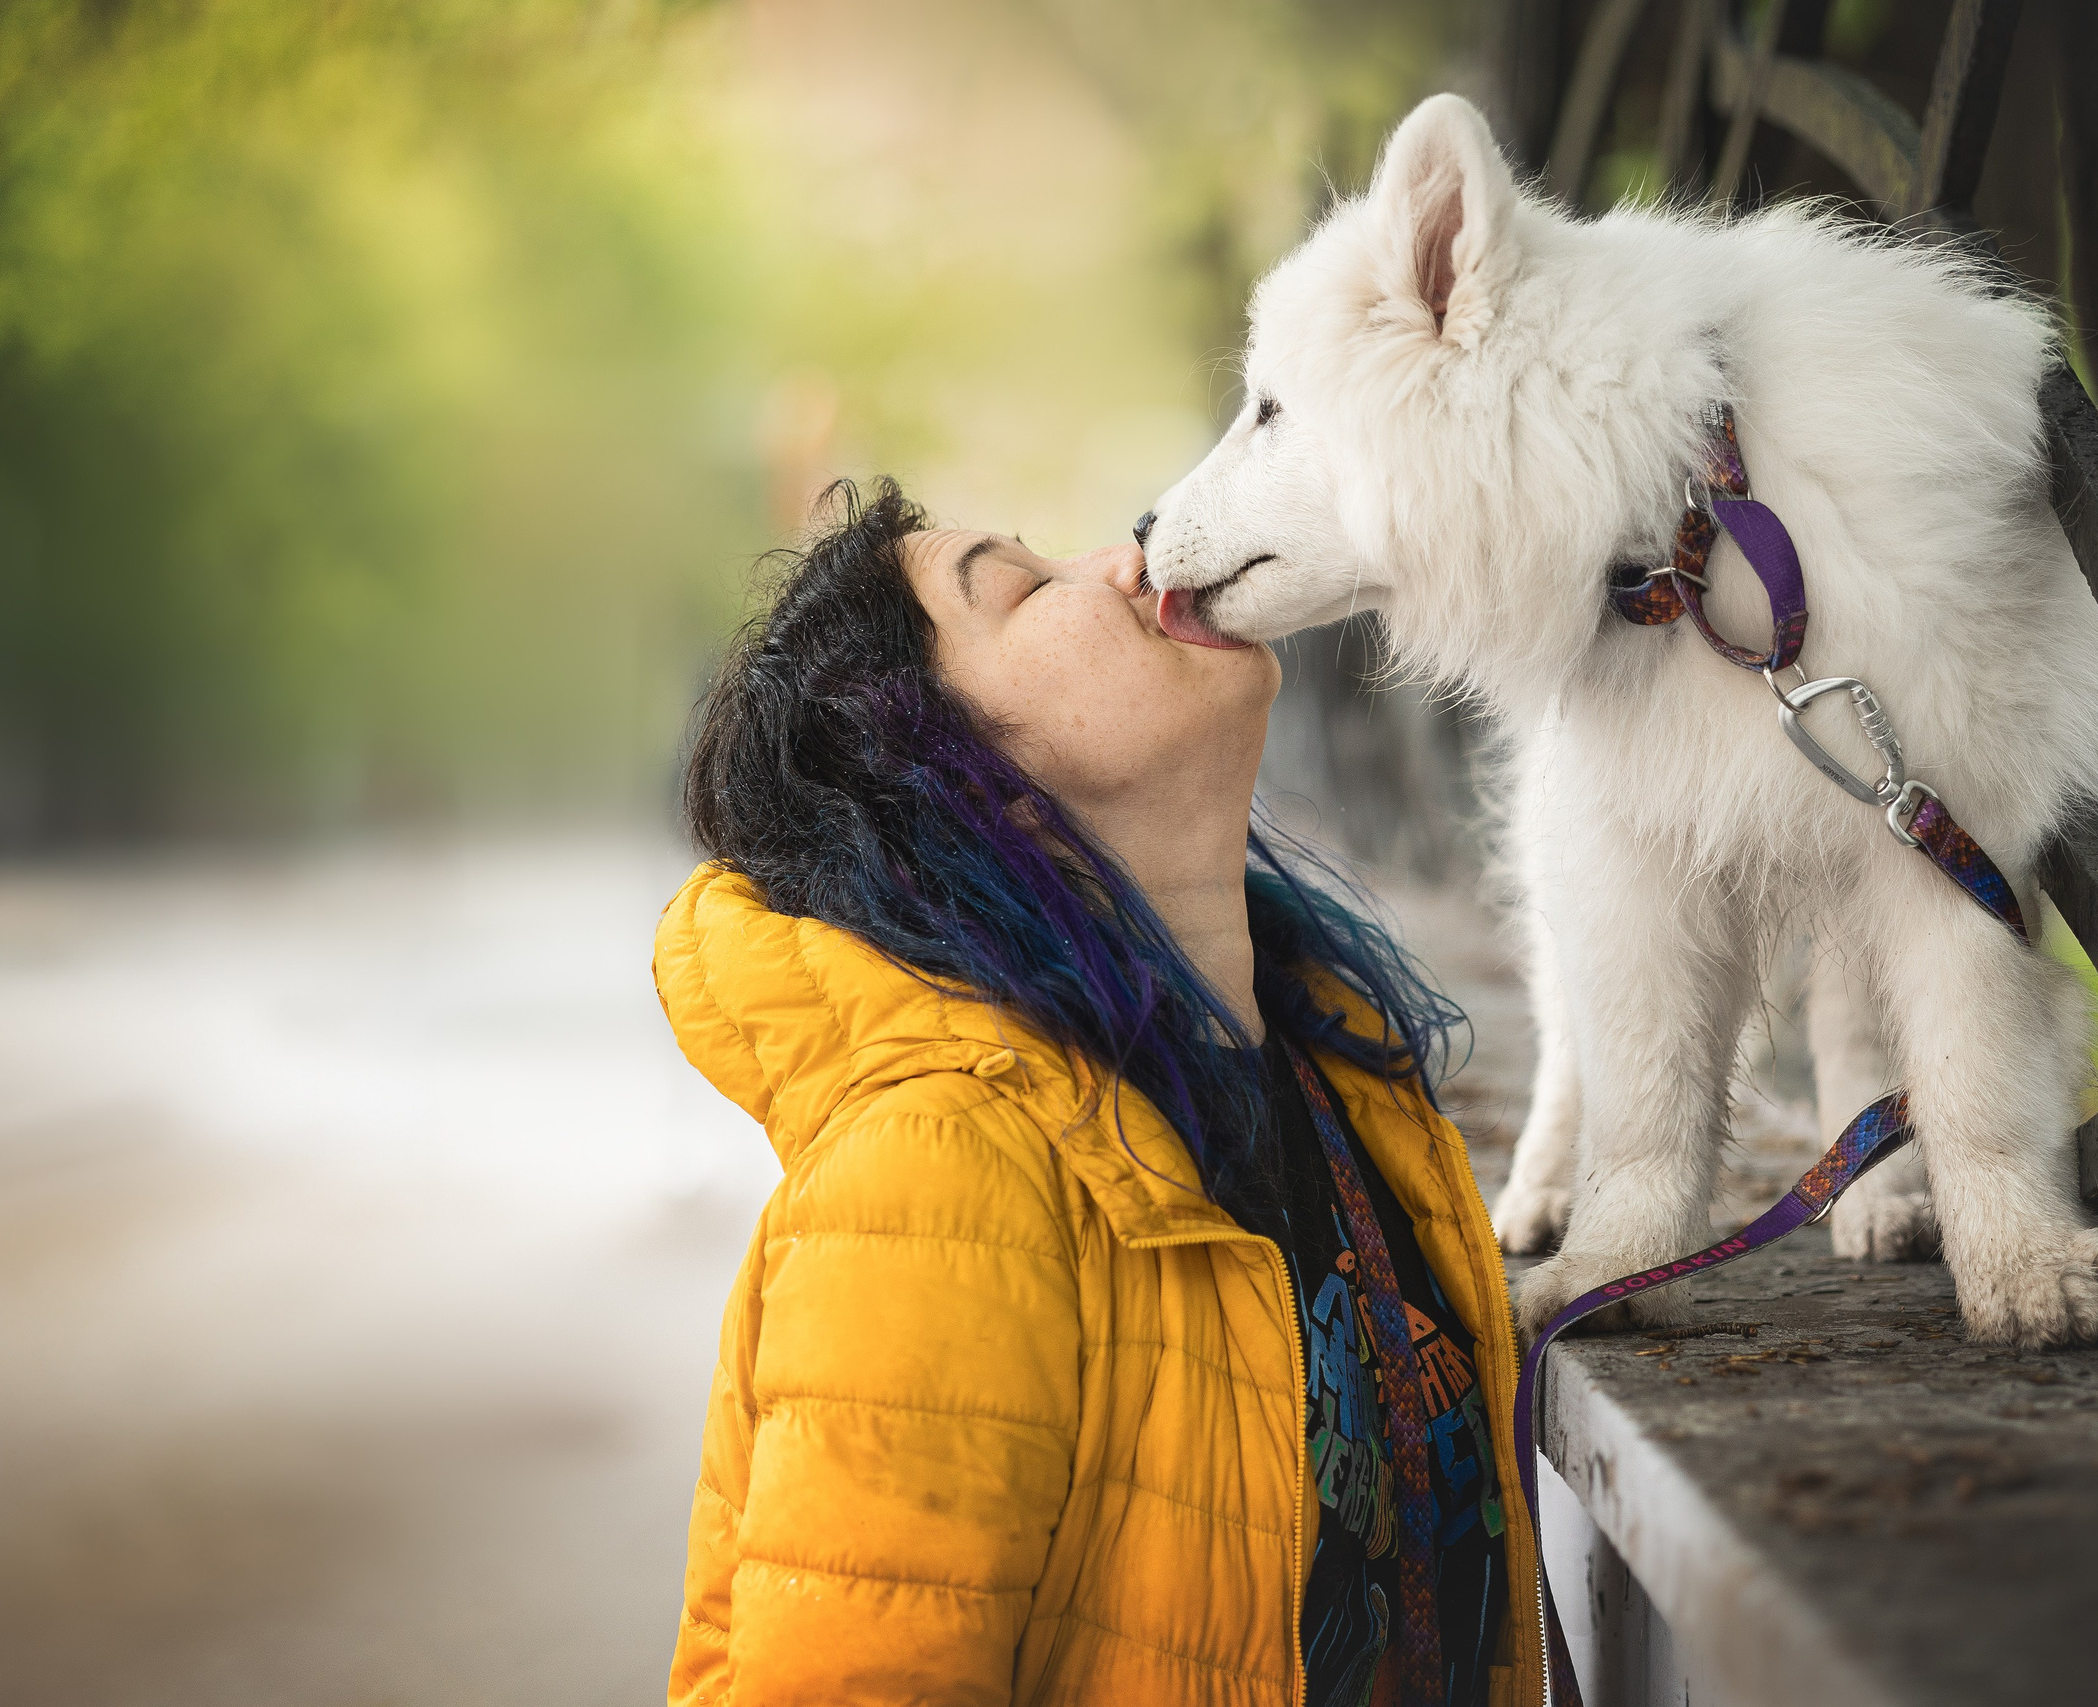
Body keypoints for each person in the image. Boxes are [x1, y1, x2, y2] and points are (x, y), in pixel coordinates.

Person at [655, 479, 1542, 1706]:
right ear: (950, 778)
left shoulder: (1338, 1085)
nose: (1122, 560)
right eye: (1018, 586)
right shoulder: (939, 1178)